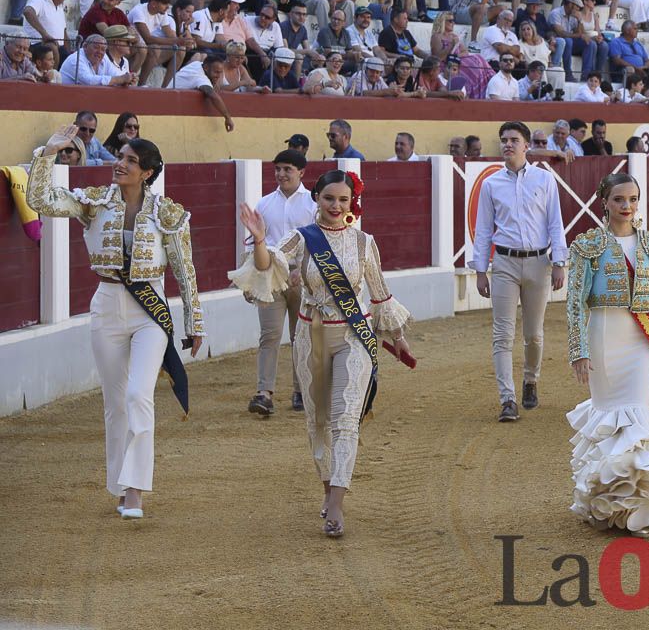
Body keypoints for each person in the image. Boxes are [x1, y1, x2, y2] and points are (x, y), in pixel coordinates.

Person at [28, 125, 205, 521]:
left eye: (130, 161)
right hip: (106, 304)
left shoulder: (168, 212)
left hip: (149, 310)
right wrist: (48, 153)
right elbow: (40, 198)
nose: (119, 164)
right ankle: (121, 486)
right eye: (119, 157)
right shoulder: (94, 201)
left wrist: (195, 322)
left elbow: (184, 270)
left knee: (138, 394)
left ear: (148, 172)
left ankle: (137, 489)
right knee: (115, 403)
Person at [234, 170, 413, 538]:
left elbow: (379, 293)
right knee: (318, 422)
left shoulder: (365, 243)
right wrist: (260, 241)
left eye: (343, 200)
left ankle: (336, 504)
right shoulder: (301, 239)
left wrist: (396, 336)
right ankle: (329, 486)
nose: (335, 206)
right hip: (310, 334)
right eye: (329, 198)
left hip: (353, 334)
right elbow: (269, 268)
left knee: (346, 418)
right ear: (316, 198)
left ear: (352, 203)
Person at [566, 172, 649, 537]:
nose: (627, 207)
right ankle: (608, 507)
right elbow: (575, 303)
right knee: (609, 420)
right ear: (605, 201)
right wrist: (578, 351)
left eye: (633, 199)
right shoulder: (587, 246)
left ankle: (638, 510)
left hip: (640, 344)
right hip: (603, 337)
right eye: (619, 200)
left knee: (636, 421)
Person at [472, 121, 568, 422]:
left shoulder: (544, 179)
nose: (508, 145)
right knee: (502, 334)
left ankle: (530, 379)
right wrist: (479, 270)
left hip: (539, 262)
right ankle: (507, 399)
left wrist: (559, 263)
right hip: (504, 263)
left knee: (534, 335)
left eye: (514, 139)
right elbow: (484, 230)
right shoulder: (491, 184)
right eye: (504, 140)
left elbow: (555, 222)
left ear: (527, 146)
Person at [245, 149, 316, 416]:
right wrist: (251, 280)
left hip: (303, 277)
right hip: (271, 276)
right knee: (269, 335)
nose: (281, 174)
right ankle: (264, 393)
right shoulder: (263, 204)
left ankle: (300, 390)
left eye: (287, 169)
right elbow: (254, 243)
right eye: (277, 169)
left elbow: (320, 243)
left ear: (301, 173)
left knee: (302, 336)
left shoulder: (313, 203)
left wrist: (306, 269)